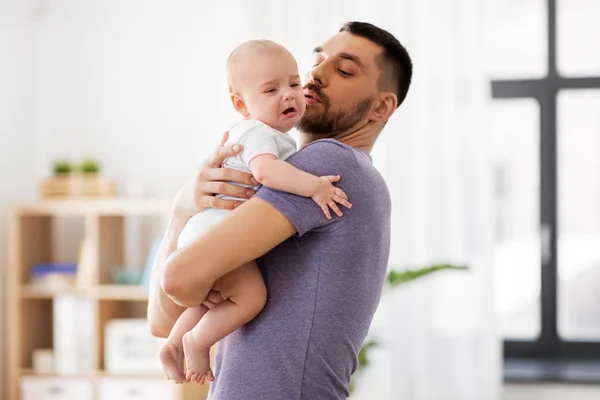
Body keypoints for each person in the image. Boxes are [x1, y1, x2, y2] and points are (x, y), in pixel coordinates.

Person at [148, 21, 413, 399]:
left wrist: (184, 219)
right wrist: (183, 209)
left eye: (344, 70)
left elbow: (178, 277)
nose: (316, 75)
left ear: (382, 105)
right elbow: (165, 321)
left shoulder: (329, 164)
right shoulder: (292, 171)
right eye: (317, 61)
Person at [159, 40, 352, 384]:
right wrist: (315, 186)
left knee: (212, 301)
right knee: (250, 298)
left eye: (294, 83)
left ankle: (174, 344)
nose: (289, 95)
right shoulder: (258, 133)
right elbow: (266, 173)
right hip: (214, 231)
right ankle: (197, 340)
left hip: (205, 231)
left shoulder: (260, 134)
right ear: (240, 104)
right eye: (271, 89)